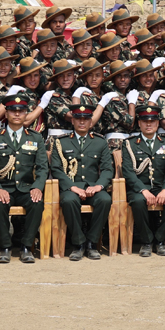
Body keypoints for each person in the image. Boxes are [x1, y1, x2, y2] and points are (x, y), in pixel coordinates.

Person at [0, 95, 48, 264]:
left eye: (21, 111)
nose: (17, 114)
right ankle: (5, 247)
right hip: (3, 187)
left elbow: (42, 167)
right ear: (6, 113)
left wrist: (38, 186)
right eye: (13, 111)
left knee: (37, 203)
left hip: (26, 188)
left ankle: (26, 247)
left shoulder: (35, 137)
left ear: (26, 113)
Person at [50, 104, 113, 261]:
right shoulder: (61, 142)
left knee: (105, 200)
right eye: (78, 119)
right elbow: (56, 169)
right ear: (73, 121)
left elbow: (107, 169)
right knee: (69, 201)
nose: (82, 122)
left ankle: (92, 243)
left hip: (94, 187)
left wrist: (99, 186)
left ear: (91, 122)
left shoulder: (100, 142)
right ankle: (78, 243)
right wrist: (72, 187)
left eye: (86, 119)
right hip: (71, 188)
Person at [122, 103, 165, 257]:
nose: (148, 125)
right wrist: (143, 190)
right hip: (139, 189)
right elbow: (128, 172)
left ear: (157, 123)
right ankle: (147, 241)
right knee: (137, 201)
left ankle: (160, 240)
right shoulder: (129, 144)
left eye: (152, 122)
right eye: (145, 122)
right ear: (139, 123)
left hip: (161, 187)